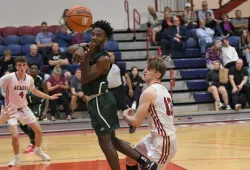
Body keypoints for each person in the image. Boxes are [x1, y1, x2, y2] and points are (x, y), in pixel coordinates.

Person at [73, 20, 158, 170]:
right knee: (112, 140)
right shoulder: (91, 49)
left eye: (99, 35)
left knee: (105, 143)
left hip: (100, 101)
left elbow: (84, 78)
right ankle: (145, 162)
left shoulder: (104, 59)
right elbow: (69, 49)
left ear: (106, 39)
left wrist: (84, 55)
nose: (94, 37)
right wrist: (81, 47)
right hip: (99, 101)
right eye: (93, 34)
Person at [0, 56, 61, 167]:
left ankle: (38, 150)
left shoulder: (29, 79)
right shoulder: (8, 77)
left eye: (24, 65)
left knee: (39, 131)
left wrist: (49, 97)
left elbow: (35, 91)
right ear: (16, 66)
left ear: (26, 66)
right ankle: (16, 158)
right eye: (19, 65)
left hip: (23, 108)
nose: (22, 67)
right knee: (15, 136)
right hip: (10, 110)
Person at [123, 56, 178, 170]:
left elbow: (136, 123)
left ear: (157, 74)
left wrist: (125, 116)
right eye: (145, 68)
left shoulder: (149, 92)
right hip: (155, 136)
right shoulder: (163, 90)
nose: (144, 70)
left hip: (163, 140)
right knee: (131, 158)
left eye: (148, 69)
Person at [20, 63, 49, 154]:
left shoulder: (42, 82)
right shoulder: (24, 81)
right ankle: (34, 136)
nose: (33, 70)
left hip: (38, 104)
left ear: (38, 71)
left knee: (32, 120)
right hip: (27, 105)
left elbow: (47, 97)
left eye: (35, 68)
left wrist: (45, 110)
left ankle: (33, 144)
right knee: (22, 123)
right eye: (31, 68)